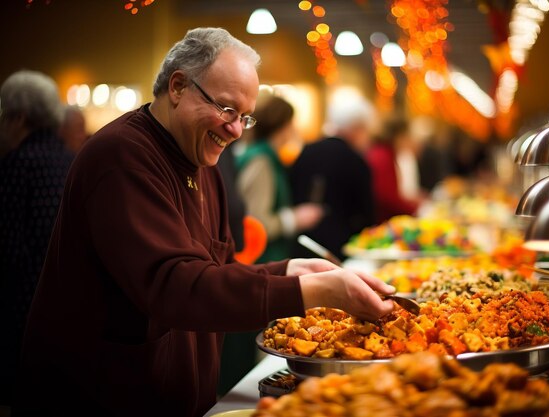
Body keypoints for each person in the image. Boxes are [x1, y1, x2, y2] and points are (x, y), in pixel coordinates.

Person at [13, 27, 395, 417]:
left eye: (244, 118)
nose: (233, 130)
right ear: (178, 87)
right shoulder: (121, 155)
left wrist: (288, 270)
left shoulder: (202, 160)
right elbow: (174, 287)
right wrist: (309, 291)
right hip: (98, 397)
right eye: (227, 109)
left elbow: (218, 270)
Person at [0, 70, 74, 407]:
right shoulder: (73, 161)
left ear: (19, 117)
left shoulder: (16, 164)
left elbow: (8, 251)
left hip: (22, 314)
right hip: (72, 313)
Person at [236, 94, 323, 263]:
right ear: (284, 125)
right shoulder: (261, 160)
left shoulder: (263, 155)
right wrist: (295, 218)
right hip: (262, 260)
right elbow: (256, 222)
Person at [290, 97, 377, 261]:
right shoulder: (355, 160)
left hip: (304, 245)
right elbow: (366, 212)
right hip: (342, 250)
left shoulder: (306, 151)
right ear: (357, 128)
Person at [366, 116, 421, 223]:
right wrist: (414, 208)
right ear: (399, 136)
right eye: (407, 136)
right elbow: (387, 198)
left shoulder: (384, 153)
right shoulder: (382, 157)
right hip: (382, 222)